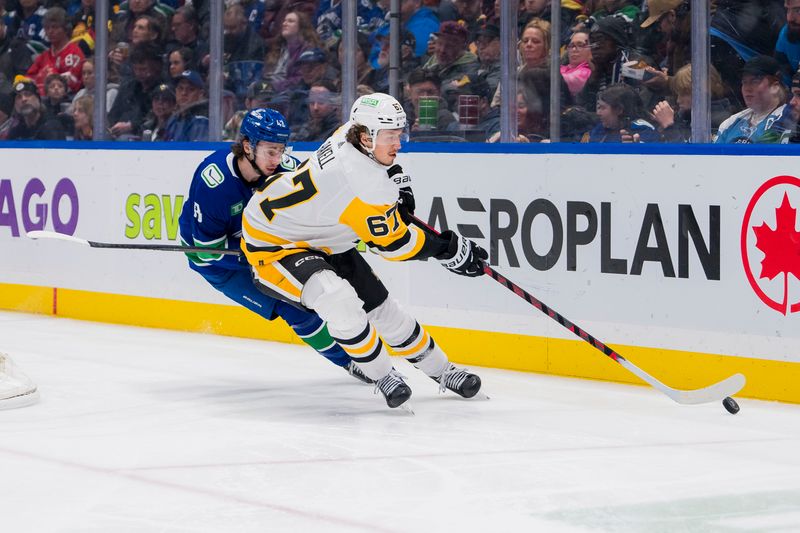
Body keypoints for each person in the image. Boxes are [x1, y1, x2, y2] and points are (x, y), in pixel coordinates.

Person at [241, 93, 487, 408]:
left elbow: (383, 175)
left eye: (400, 134)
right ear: (366, 136)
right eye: (390, 137)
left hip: (325, 233)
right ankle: (382, 375)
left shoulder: (348, 134)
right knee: (337, 299)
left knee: (384, 310)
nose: (397, 144)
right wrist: (449, 250)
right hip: (274, 242)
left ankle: (443, 371)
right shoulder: (363, 184)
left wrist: (398, 184)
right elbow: (395, 245)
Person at [177, 107, 371, 385]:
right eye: (270, 151)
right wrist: (259, 255)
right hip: (223, 265)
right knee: (293, 309)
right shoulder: (214, 184)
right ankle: (351, 362)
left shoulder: (285, 170)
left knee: (325, 289)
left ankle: (365, 348)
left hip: (263, 248)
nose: (277, 159)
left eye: (281, 150)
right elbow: (207, 252)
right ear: (247, 146)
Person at [714, 55, 794, 144]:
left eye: (755, 81)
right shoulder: (731, 123)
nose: (747, 88)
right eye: (744, 82)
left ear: (775, 86)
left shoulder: (788, 120)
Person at [581, 83, 660, 143]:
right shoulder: (600, 128)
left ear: (619, 109)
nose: (598, 113)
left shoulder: (644, 130)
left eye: (602, 108)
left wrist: (635, 147)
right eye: (598, 107)